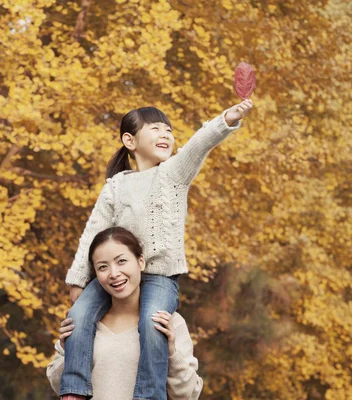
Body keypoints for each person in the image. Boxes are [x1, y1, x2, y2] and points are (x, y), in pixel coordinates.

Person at [62, 100, 254, 399]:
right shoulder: (115, 186)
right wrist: (77, 279)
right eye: (155, 129)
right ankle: (74, 388)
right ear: (130, 140)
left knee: (153, 324)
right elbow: (94, 233)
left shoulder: (173, 174)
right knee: (79, 315)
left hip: (159, 277)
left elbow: (198, 145)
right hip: (120, 272)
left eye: (169, 130)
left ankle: (149, 395)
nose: (166, 134)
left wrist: (226, 120)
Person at [49, 227, 202, 400]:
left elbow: (189, 395)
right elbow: (58, 385)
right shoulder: (83, 322)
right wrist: (66, 349)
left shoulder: (168, 322)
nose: (114, 273)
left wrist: (172, 353)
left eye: (121, 261)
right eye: (103, 267)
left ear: (141, 262)